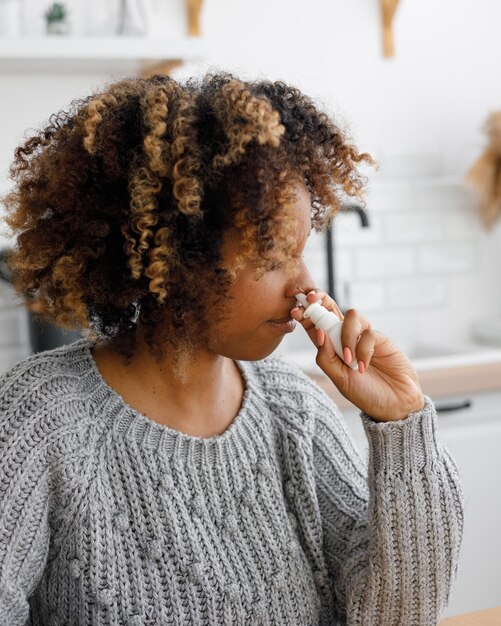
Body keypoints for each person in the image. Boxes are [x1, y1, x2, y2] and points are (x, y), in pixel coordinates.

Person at [0, 72, 463, 626]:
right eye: (273, 259)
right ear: (177, 260)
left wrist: (403, 421)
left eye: (301, 253)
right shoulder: (39, 421)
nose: (306, 287)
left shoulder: (296, 412)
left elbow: (400, 616)